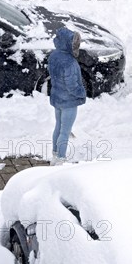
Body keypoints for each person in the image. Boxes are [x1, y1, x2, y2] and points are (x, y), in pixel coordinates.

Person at [48, 27, 86, 166]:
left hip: (57, 98)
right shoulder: (70, 62)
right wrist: (81, 93)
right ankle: (60, 158)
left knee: (58, 126)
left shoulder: (54, 56)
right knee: (65, 131)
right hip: (69, 102)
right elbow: (72, 85)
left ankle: (54, 153)